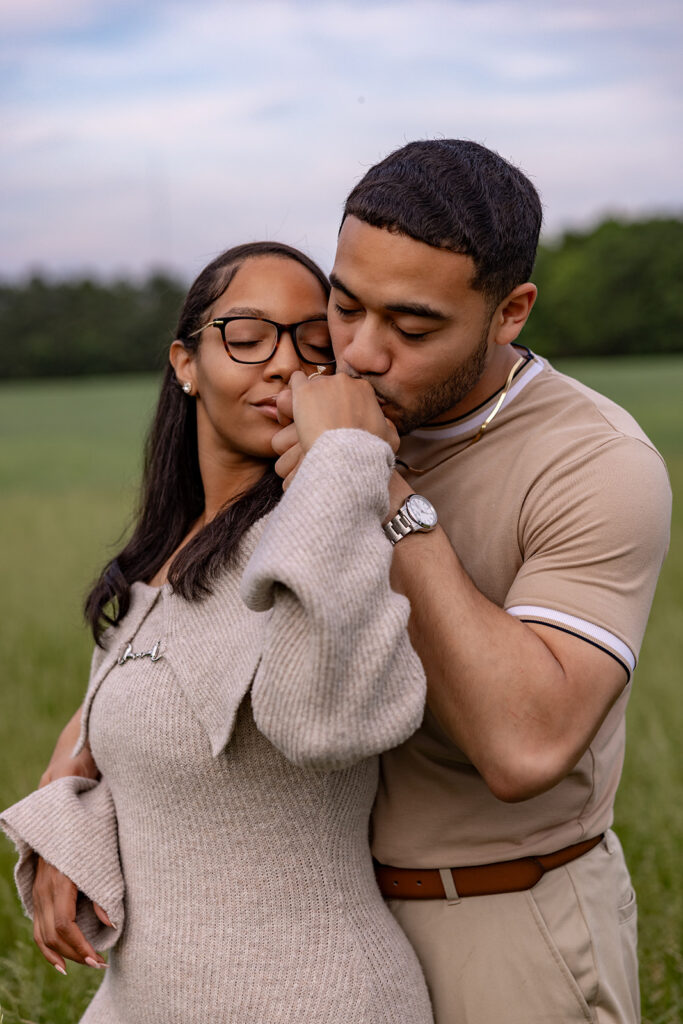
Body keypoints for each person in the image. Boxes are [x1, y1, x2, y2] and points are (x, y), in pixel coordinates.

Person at [270, 141, 672, 1024]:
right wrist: (82, 757)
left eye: (412, 329)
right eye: (344, 306)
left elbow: (523, 746)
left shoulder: (594, 464)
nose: (362, 354)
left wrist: (376, 485)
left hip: (505, 926)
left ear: (510, 310)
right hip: (317, 935)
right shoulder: (302, 399)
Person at [0, 241, 434, 1023]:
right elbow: (124, 719)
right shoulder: (160, 564)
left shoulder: (329, 543)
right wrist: (58, 814)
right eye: (246, 336)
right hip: (144, 1000)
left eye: (311, 345)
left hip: (314, 996)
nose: (281, 365)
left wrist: (343, 457)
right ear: (186, 362)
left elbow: (318, 718)